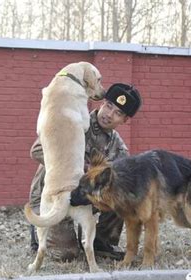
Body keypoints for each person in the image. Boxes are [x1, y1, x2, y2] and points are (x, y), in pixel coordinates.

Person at [28, 83, 143, 261]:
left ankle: (102, 242)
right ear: (102, 103)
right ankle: (39, 233)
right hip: (54, 197)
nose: (109, 115)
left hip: (84, 199)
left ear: (124, 120)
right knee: (66, 255)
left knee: (123, 190)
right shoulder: (74, 124)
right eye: (109, 106)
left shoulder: (118, 148)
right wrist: (77, 167)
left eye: (118, 113)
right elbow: (36, 150)